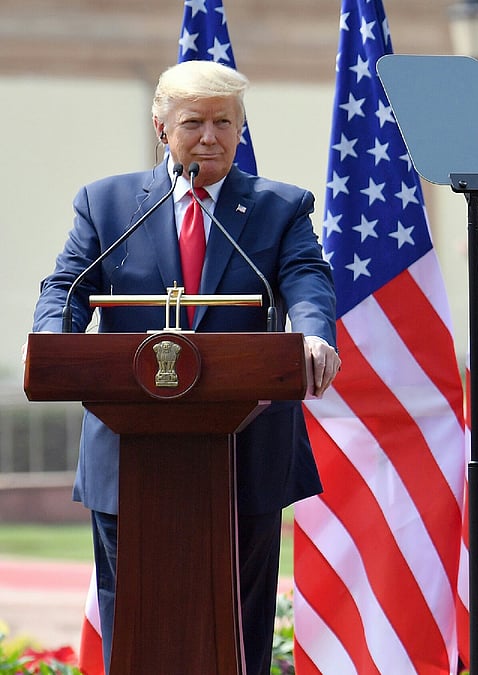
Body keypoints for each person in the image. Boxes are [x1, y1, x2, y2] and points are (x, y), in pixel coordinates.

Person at [30, 60, 341, 675]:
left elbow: (306, 279)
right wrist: (50, 341)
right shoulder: (110, 204)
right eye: (193, 122)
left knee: (242, 617)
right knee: (135, 614)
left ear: (240, 127)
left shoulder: (280, 207)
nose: (209, 137)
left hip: (245, 448)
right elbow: (67, 286)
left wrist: (310, 334)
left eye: (223, 122)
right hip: (129, 448)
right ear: (161, 127)